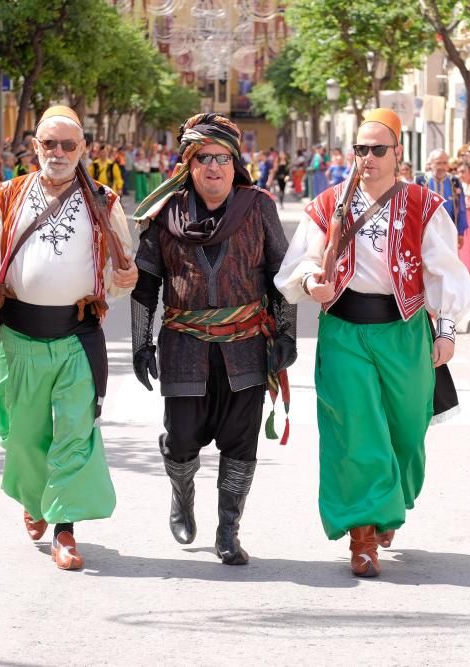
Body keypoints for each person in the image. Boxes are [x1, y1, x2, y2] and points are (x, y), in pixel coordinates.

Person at [275, 108, 470, 577]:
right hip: (344, 329)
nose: (367, 157)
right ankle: (362, 532)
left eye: (377, 149)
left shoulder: (426, 205)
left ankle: (388, 501)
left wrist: (445, 330)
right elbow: (298, 264)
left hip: (404, 331)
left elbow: (446, 272)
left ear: (398, 153)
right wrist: (311, 284)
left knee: (407, 432)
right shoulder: (328, 205)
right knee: (355, 432)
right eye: (360, 149)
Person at [0, 106, 138, 570]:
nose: (58, 152)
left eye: (68, 145)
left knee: (75, 433)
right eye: (49, 143)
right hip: (20, 337)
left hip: (77, 337)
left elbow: (120, 268)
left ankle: (65, 528)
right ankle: (34, 496)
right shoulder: (7, 196)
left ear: (83, 150)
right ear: (35, 147)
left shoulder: (105, 201)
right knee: (24, 437)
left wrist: (124, 277)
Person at [130, 113, 296, 565]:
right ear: (188, 163)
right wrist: (140, 341)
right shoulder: (166, 213)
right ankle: (182, 496)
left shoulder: (258, 206)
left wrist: (286, 333)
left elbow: (282, 275)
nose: (214, 168)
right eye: (204, 158)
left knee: (240, 444)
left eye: (223, 158)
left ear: (235, 163)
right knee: (182, 440)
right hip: (185, 347)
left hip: (246, 348)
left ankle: (228, 530)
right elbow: (146, 285)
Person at [415, 148, 468, 237]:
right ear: (431, 164)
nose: (442, 167)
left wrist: (460, 233)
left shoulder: (455, 182)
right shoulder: (420, 181)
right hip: (427, 232)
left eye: (445, 163)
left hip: (449, 231)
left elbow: (461, 208)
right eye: (438, 163)